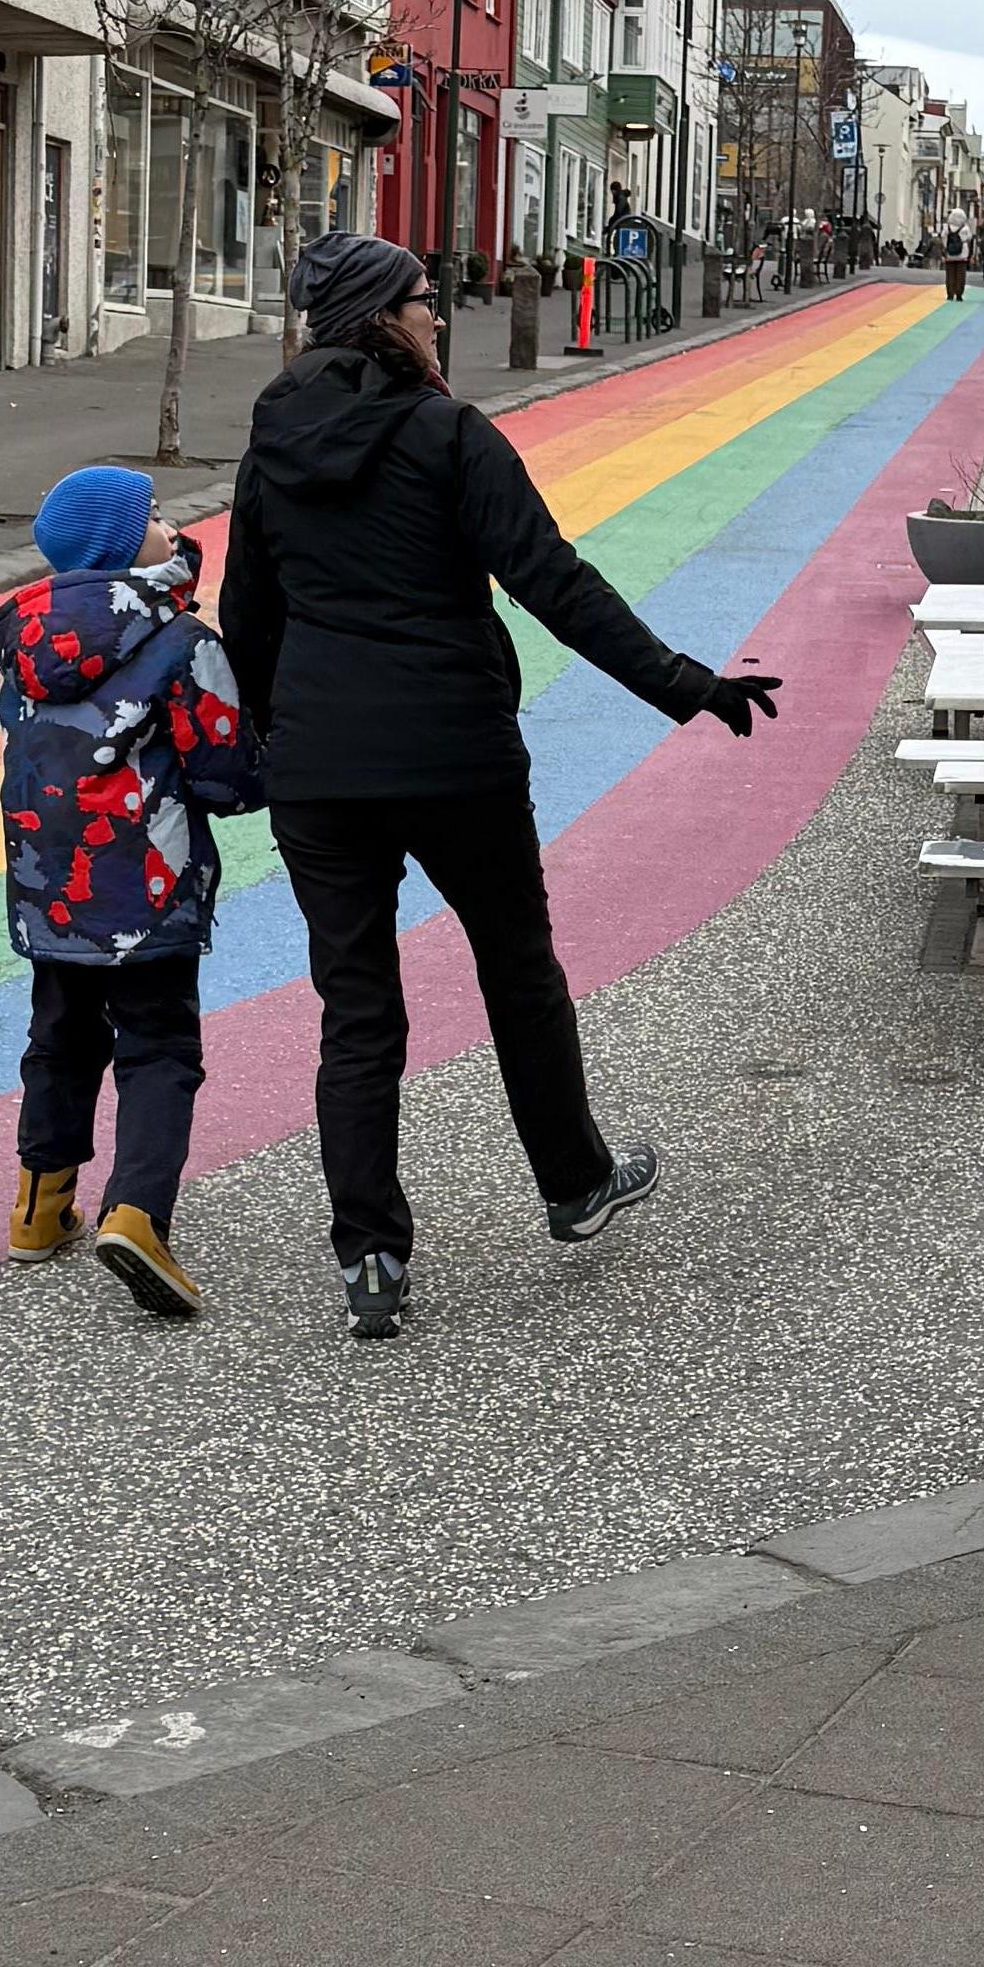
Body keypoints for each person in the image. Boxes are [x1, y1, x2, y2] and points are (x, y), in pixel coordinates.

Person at [224, 230, 777, 1341]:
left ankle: (370, 1256)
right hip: (454, 755)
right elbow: (553, 584)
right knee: (518, 970)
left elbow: (248, 616)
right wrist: (687, 685)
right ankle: (574, 1183)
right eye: (423, 300)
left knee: (357, 1008)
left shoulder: (272, 444)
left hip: (322, 774)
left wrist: (281, 739)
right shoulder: (449, 434)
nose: (438, 314)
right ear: (383, 319)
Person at [0, 464, 266, 1323]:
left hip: (47, 882)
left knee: (60, 1036)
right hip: (147, 884)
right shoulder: (179, 642)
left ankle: (40, 1208)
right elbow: (224, 778)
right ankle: (138, 1213)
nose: (170, 525)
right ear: (120, 545)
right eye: (153, 517)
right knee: (159, 1045)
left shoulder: (27, 643)